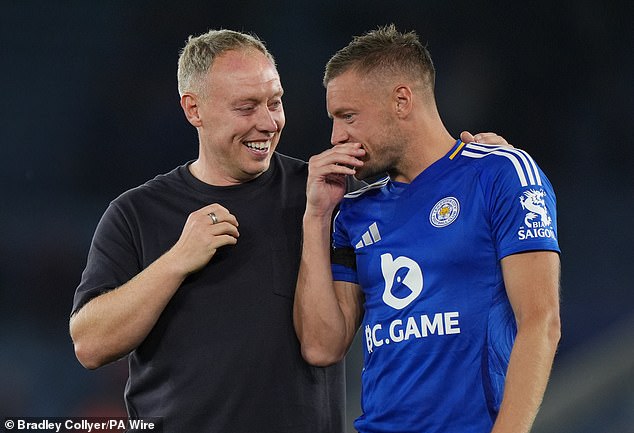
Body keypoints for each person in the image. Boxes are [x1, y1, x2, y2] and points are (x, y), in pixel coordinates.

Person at [70, 28, 508, 432]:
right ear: (193, 108)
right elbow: (89, 344)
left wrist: (471, 167)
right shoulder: (137, 213)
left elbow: (420, 203)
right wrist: (176, 262)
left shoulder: (329, 194)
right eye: (245, 107)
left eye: (274, 102)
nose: (267, 122)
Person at [293, 24, 561, 433]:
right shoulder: (352, 213)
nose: (336, 136)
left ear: (402, 100)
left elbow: (541, 322)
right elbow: (321, 345)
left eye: (348, 116)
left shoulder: (500, 173)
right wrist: (315, 219)